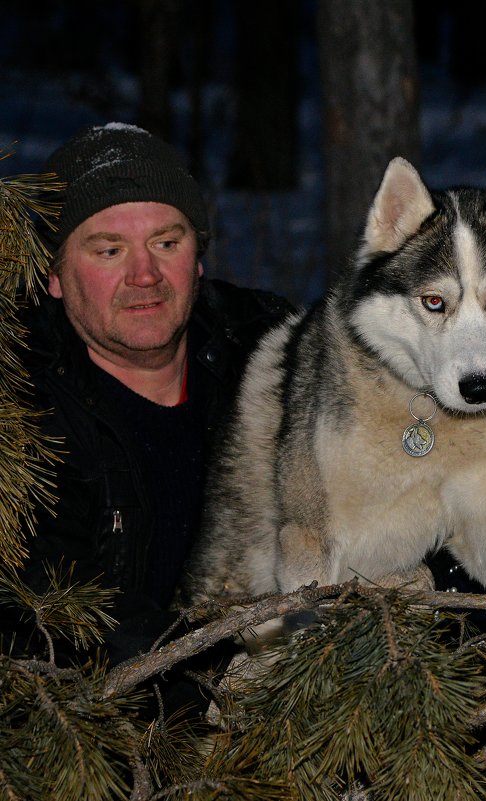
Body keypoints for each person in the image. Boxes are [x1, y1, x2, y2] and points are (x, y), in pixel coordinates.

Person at [7, 123, 294, 708]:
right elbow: (59, 610)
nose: (145, 275)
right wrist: (215, 686)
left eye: (167, 242)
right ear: (55, 277)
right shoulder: (23, 406)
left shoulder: (268, 350)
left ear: (199, 255)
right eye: (109, 250)